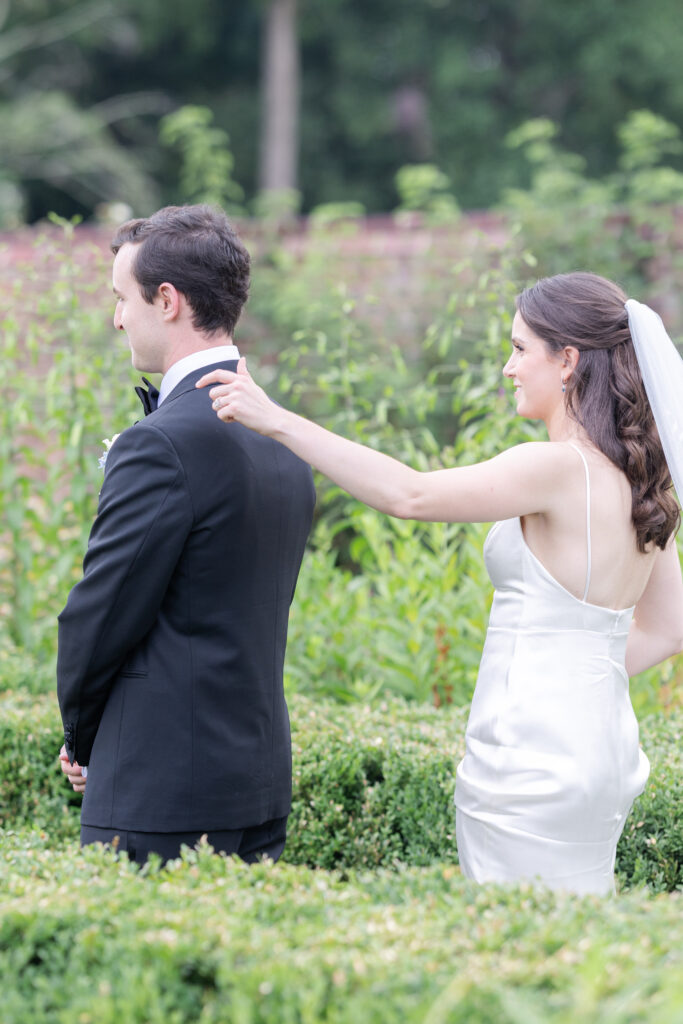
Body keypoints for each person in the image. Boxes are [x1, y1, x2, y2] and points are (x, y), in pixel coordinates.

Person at [196, 271, 683, 895]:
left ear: (566, 361)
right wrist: (577, 671)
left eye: (518, 348)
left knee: (511, 936)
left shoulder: (553, 466)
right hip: (603, 749)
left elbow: (411, 494)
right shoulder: (644, 483)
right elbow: (667, 632)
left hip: (528, 753)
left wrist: (280, 422)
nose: (508, 368)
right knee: (576, 933)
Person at [57, 204, 315, 866]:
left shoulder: (161, 444)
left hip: (160, 788)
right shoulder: (283, 438)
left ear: (167, 301)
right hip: (256, 784)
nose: (117, 318)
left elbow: (101, 614)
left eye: (123, 298)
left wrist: (81, 737)